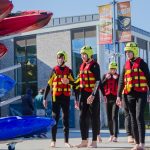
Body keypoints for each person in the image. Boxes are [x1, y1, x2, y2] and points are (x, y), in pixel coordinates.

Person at [116, 42, 150, 150]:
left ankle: (142, 144)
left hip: (141, 93)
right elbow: (121, 81)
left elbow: (149, 79)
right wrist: (118, 96)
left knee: (139, 116)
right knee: (132, 118)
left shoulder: (142, 64)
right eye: (126, 52)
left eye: (129, 52)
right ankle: (137, 143)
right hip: (129, 94)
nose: (127, 54)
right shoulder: (125, 65)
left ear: (134, 51)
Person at [43, 50, 76, 148]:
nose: (59, 59)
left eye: (61, 57)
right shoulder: (54, 70)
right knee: (55, 118)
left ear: (64, 59)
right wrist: (45, 98)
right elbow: (49, 85)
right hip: (55, 97)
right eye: (58, 57)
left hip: (66, 97)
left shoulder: (69, 71)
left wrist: (69, 82)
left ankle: (66, 141)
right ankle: (53, 140)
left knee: (66, 119)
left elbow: (75, 85)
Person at [74, 46, 104, 148]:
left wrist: (93, 95)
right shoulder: (81, 66)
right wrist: (76, 99)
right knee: (82, 117)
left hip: (92, 95)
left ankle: (94, 141)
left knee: (94, 117)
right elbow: (77, 84)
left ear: (89, 55)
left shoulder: (95, 66)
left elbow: (97, 81)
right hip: (83, 95)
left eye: (84, 54)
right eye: (82, 54)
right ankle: (84, 141)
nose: (82, 56)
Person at [102, 61, 119, 142]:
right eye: (111, 69)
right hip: (107, 99)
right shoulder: (105, 76)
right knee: (109, 117)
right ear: (109, 69)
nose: (113, 71)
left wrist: (117, 79)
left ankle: (115, 136)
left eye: (114, 69)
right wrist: (106, 79)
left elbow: (122, 85)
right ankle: (111, 135)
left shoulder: (118, 76)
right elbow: (100, 86)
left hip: (116, 98)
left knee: (114, 116)